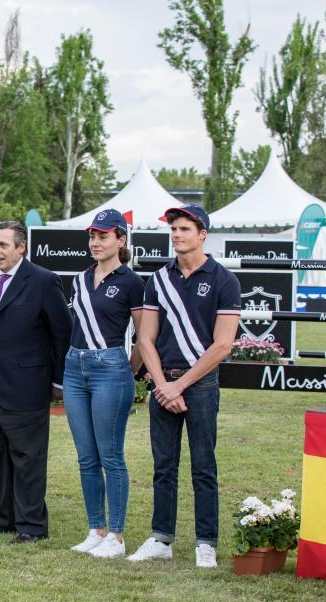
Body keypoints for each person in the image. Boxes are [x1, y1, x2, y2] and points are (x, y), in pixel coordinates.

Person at [128, 204, 241, 569]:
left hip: (200, 384)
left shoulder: (224, 280)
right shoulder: (158, 280)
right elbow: (146, 339)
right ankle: (161, 538)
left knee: (203, 466)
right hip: (164, 382)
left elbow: (222, 345)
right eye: (173, 230)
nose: (176, 235)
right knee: (164, 465)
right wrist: (163, 385)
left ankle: (205, 542)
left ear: (202, 234)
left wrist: (181, 386)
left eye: (184, 230)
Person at [0, 221, 72, 543]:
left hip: (26, 385)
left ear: (21, 248)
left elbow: (61, 334)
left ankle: (31, 525)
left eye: (3, 245)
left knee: (27, 458)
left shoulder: (44, 281)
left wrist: (57, 381)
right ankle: (2, 516)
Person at [64, 210, 145, 559]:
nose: (95, 243)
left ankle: (116, 534)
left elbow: (145, 335)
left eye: (103, 236)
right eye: (92, 237)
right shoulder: (80, 279)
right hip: (73, 366)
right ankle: (95, 528)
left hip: (110, 367)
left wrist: (127, 370)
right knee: (86, 456)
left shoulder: (131, 281)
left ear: (121, 240)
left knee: (111, 455)